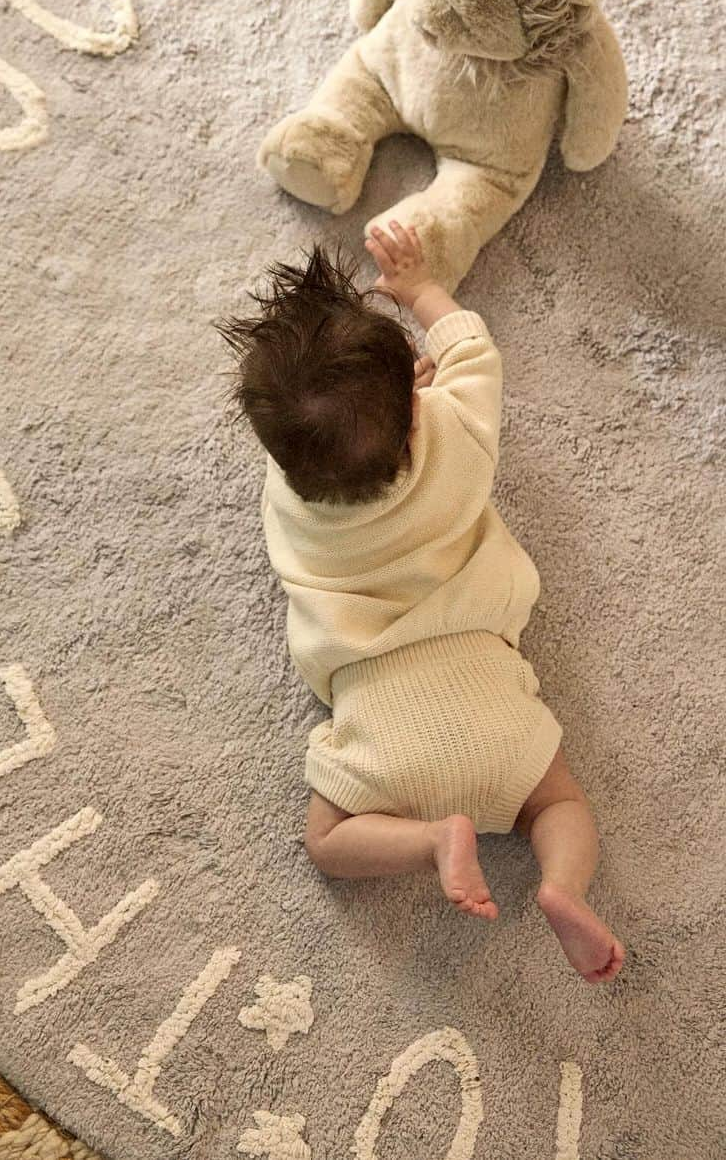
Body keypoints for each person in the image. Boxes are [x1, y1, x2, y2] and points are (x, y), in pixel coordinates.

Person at [216, 222, 624, 983]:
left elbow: (342, 441)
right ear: (415, 407)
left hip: (378, 712)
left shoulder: (289, 500)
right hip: (488, 677)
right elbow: (472, 346)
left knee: (327, 842)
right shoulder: (458, 429)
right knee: (558, 805)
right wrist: (417, 289)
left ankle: (434, 838)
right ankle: (561, 887)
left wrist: (400, 406)